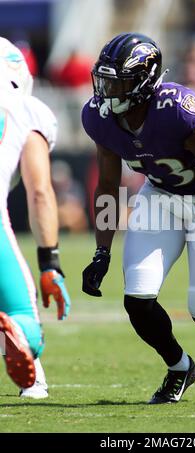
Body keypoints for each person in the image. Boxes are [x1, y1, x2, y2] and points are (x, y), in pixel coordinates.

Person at [81, 33, 195, 404]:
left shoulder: (176, 108)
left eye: (119, 82)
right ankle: (180, 367)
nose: (108, 90)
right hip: (159, 198)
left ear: (145, 81)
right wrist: (101, 252)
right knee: (137, 298)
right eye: (105, 79)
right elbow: (109, 185)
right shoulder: (100, 119)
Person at [0, 37, 71, 398]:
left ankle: (34, 377)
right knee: (25, 325)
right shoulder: (26, 109)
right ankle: (22, 345)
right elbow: (39, 190)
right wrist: (50, 262)